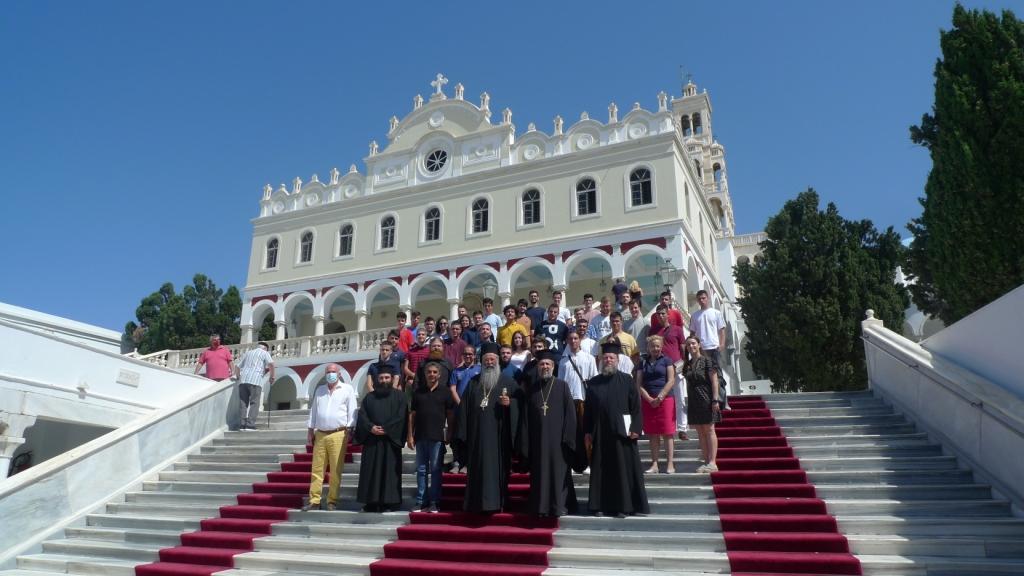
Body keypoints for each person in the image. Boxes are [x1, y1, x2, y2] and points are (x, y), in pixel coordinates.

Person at [584, 343, 649, 518]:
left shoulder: (627, 380)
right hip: (601, 435)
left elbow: (636, 407)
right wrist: (588, 432)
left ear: (618, 360)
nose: (608, 360)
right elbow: (588, 410)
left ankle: (624, 506)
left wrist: (636, 428)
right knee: (601, 471)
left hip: (623, 435)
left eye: (611, 357)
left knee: (622, 470)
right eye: (605, 358)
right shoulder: (593, 383)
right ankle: (599, 505)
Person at [456, 342, 521, 513]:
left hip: (499, 439)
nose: (489, 363)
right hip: (476, 439)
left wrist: (510, 404)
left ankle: (497, 503)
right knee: (477, 470)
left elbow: (522, 404)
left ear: (497, 361)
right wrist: (462, 435)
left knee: (497, 471)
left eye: (492, 359)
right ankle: (475, 503)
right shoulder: (473, 383)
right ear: (482, 362)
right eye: (486, 360)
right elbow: (463, 410)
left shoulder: (509, 382)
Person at [521, 351, 577, 517]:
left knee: (558, 474)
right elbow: (526, 418)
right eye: (541, 364)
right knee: (539, 475)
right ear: (537, 367)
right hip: (538, 441)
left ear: (553, 367)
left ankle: (559, 506)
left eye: (547, 364)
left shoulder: (562, 386)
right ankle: (541, 507)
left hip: (558, 442)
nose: (544, 367)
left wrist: (568, 438)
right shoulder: (532, 390)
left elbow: (570, 414)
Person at [303, 364, 358, 511]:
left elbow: (352, 410)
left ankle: (332, 500)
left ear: (339, 374)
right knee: (317, 469)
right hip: (320, 433)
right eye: (328, 372)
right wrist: (310, 430)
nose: (331, 374)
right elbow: (314, 410)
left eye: (333, 372)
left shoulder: (347, 389)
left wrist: (350, 428)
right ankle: (314, 500)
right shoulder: (320, 390)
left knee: (335, 470)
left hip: (339, 433)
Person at [355, 365, 406, 512]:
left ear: (392, 379)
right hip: (372, 440)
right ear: (377, 379)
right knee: (371, 471)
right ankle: (371, 502)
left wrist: (386, 429)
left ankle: (390, 502)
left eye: (387, 377)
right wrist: (371, 427)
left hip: (391, 441)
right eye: (381, 378)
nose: (384, 380)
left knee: (389, 472)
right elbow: (362, 416)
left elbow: (401, 416)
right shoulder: (369, 397)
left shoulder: (400, 396)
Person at [407, 361, 455, 513]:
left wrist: (450, 433)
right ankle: (421, 501)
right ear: (425, 374)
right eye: (429, 372)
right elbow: (412, 415)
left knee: (435, 469)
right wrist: (409, 435)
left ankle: (434, 501)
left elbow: (450, 415)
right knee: (421, 470)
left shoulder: (446, 392)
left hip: (437, 438)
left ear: (439, 375)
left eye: (435, 372)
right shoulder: (418, 392)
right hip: (420, 436)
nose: (432, 374)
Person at [636, 336, 677, 473]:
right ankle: (654, 464)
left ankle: (670, 463)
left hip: (665, 400)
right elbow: (638, 383)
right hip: (648, 401)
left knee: (667, 432)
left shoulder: (667, 360)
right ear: (648, 348)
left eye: (658, 346)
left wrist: (660, 397)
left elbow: (671, 380)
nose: (655, 349)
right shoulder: (642, 362)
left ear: (661, 347)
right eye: (653, 346)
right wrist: (648, 398)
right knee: (652, 433)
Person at [560, 330, 598, 473]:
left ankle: (588, 462)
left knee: (586, 433)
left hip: (584, 400)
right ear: (567, 341)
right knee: (570, 433)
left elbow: (594, 380)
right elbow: (561, 383)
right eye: (571, 339)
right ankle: (571, 463)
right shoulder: (563, 361)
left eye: (576, 338)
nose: (573, 341)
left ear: (579, 340)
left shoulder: (589, 358)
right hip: (569, 401)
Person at [650, 304, 689, 441]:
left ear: (668, 314)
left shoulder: (677, 330)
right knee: (662, 398)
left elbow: (683, 348)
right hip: (661, 369)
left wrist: (685, 364)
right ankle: (663, 427)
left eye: (663, 313)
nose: (660, 316)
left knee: (679, 398)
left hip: (677, 367)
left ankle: (682, 428)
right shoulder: (653, 331)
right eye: (658, 314)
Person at [683, 336, 721, 473]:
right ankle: (706, 462)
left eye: (693, 343)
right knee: (700, 432)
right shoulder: (687, 364)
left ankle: (713, 462)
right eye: (688, 344)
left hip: (706, 397)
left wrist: (715, 399)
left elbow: (714, 381)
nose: (691, 346)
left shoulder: (707, 361)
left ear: (699, 345)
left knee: (709, 430)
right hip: (693, 400)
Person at [688, 290, 728, 406]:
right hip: (701, 350)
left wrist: (722, 344)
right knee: (703, 375)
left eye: (704, 298)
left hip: (714, 348)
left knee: (718, 374)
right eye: (699, 299)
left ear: (708, 298)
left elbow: (721, 330)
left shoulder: (716, 313)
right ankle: (708, 399)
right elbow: (692, 333)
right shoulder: (695, 315)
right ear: (697, 300)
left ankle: (724, 401)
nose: (702, 300)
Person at [449, 344, 480, 473]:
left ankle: (467, 463)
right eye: (466, 354)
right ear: (462, 356)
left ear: (474, 356)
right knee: (457, 436)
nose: (468, 356)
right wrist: (461, 404)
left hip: (474, 409)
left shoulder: (480, 370)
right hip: (458, 409)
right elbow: (452, 388)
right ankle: (456, 462)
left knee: (470, 436)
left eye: (470, 354)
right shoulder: (456, 371)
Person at [235, 341, 274, 430]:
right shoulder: (264, 353)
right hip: (255, 380)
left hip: (243, 381)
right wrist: (272, 376)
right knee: (254, 403)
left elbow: (237, 367)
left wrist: (238, 377)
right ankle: (250, 425)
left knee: (243, 403)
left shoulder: (248, 353)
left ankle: (242, 424)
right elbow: (271, 364)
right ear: (265, 348)